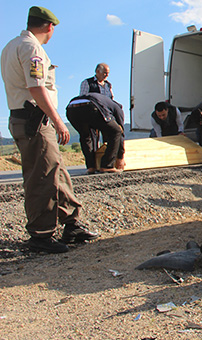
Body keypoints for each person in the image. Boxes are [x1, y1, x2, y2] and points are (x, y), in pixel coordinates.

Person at [1, 6, 99, 253]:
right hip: (35, 119)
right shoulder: (32, 48)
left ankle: (71, 223)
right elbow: (36, 88)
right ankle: (41, 235)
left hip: (24, 118)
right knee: (42, 177)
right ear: (49, 27)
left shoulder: (12, 45)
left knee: (56, 170)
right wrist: (57, 120)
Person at [66, 92, 125, 174]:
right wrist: (120, 157)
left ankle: (91, 167)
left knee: (85, 136)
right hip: (91, 106)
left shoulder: (105, 102)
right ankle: (107, 165)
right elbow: (120, 131)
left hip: (71, 109)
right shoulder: (118, 108)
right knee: (115, 131)